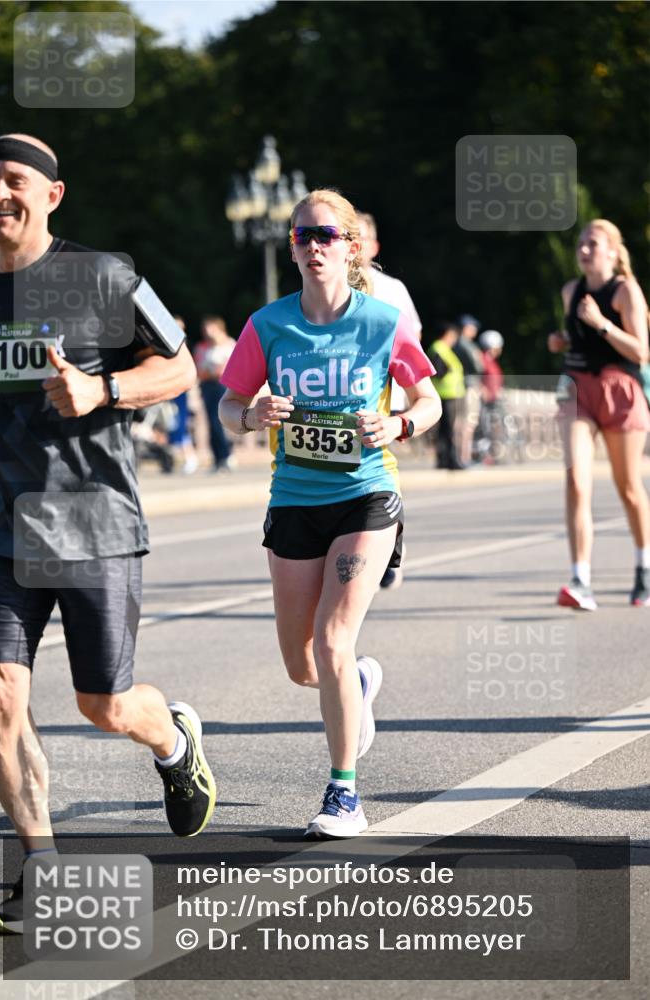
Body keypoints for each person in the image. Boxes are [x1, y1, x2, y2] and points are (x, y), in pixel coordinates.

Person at [0, 134, 216, 933]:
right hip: (7, 527)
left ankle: (174, 741)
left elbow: (182, 367)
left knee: (104, 704)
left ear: (53, 195)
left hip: (96, 523)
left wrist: (104, 387)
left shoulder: (107, 276)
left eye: (15, 181)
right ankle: (38, 868)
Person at [219, 189, 440, 838]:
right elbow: (228, 406)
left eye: (324, 235)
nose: (312, 247)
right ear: (291, 247)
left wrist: (398, 423)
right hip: (293, 500)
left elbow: (428, 402)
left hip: (365, 496)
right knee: (302, 663)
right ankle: (358, 688)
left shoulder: (381, 322)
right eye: (301, 237)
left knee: (334, 640)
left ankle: (344, 794)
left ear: (350, 246)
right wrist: (249, 414)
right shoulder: (267, 325)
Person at [548, 219, 650, 609]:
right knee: (576, 481)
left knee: (628, 488)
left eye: (593, 243)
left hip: (619, 390)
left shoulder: (626, 291)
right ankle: (581, 580)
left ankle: (643, 566)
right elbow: (575, 337)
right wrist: (560, 340)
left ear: (612, 250)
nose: (584, 249)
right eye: (581, 243)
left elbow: (640, 352)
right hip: (577, 389)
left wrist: (602, 324)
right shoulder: (570, 290)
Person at [357, 211, 423, 590]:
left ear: (374, 246)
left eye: (363, 237)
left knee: (382, 468)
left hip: (388, 395)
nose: (357, 244)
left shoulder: (392, 288)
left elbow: (411, 337)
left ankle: (389, 543)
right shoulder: (324, 289)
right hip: (344, 398)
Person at [194, 316, 237, 472]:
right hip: (207, 386)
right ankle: (218, 457)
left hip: (222, 386)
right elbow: (199, 370)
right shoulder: (202, 347)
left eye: (211, 328)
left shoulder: (230, 344)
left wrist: (215, 371)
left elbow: (230, 368)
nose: (207, 332)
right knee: (211, 422)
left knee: (221, 420)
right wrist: (213, 371)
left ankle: (226, 454)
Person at [427, 321, 466, 470]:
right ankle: (450, 460)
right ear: (448, 334)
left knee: (446, 430)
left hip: (448, 394)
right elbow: (437, 371)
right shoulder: (438, 348)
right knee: (448, 430)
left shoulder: (442, 348)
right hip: (445, 394)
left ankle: (445, 459)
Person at [169, 317, 199, 473]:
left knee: (180, 425)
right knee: (172, 425)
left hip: (179, 391)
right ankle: (181, 458)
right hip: (171, 390)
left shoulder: (181, 347)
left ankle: (190, 457)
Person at [454, 313, 484, 465]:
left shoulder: (454, 344)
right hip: (470, 386)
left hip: (458, 387)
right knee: (468, 422)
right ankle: (465, 457)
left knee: (460, 422)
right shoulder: (467, 345)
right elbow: (479, 366)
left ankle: (459, 456)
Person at [475, 329, 505, 464]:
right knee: (485, 427)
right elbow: (478, 376)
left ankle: (493, 454)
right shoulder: (483, 359)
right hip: (486, 399)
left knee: (493, 427)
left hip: (494, 399)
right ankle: (486, 456)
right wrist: (483, 389)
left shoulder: (491, 360)